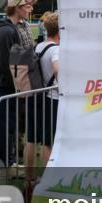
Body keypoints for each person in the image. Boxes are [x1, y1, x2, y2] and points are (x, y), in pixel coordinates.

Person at [0, 0, 37, 169]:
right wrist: (19, 86)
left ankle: (10, 158)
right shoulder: (7, 31)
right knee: (6, 123)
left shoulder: (12, 28)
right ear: (17, 8)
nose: (31, 9)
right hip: (7, 84)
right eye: (27, 6)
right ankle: (5, 161)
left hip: (11, 83)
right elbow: (9, 64)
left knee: (11, 122)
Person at [25, 11, 60, 181]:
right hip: (51, 98)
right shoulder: (56, 50)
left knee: (31, 139)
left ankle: (30, 178)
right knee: (48, 142)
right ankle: (47, 180)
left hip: (35, 95)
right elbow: (57, 69)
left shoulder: (39, 46)